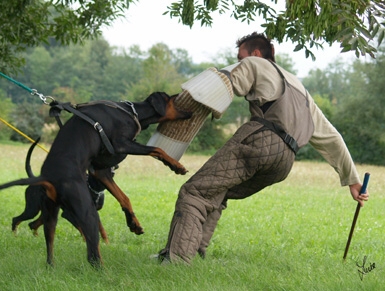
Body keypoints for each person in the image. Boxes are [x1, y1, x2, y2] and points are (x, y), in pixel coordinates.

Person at [157, 32, 369, 264]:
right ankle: (195, 249)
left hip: (259, 141)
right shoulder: (300, 90)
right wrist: (353, 180)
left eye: (240, 57)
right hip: (284, 161)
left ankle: (176, 260)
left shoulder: (254, 63)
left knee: (194, 192)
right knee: (218, 190)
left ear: (256, 53)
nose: (239, 62)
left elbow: (228, 84)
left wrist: (188, 101)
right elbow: (332, 138)